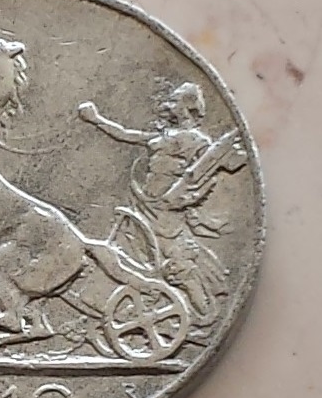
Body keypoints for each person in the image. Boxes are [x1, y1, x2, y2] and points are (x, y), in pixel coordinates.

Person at [78, 82, 246, 320]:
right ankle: (133, 300)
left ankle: (203, 313)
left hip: (167, 211)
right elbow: (126, 134)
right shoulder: (162, 137)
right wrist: (97, 120)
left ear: (188, 107)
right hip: (147, 204)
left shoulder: (198, 141)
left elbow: (213, 172)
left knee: (177, 265)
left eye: (175, 101)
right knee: (135, 254)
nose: (169, 105)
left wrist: (188, 198)